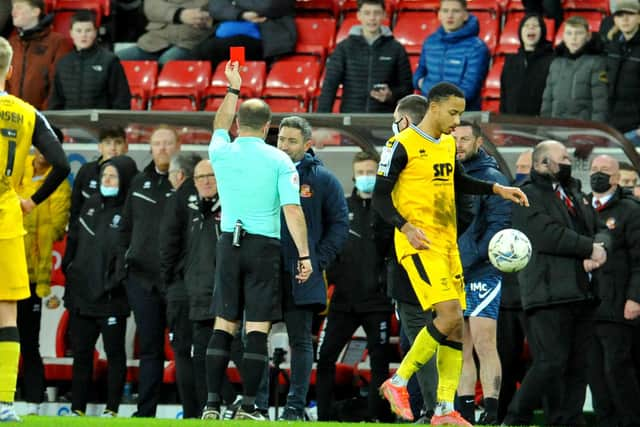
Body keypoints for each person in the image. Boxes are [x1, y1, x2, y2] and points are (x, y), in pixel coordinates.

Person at [372, 82, 528, 426]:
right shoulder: (399, 145)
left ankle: (444, 410)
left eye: (461, 114)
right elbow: (380, 197)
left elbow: (457, 181)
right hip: (418, 244)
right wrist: (405, 227)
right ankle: (398, 382)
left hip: (447, 245)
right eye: (454, 113)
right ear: (434, 108)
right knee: (447, 318)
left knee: (456, 327)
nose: (457, 122)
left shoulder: (444, 145)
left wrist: (496, 188)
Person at [200, 60, 312, 421]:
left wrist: (232, 88)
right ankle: (250, 407)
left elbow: (218, 125)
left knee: (223, 324)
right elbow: (293, 211)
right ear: (267, 128)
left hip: (228, 243)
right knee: (256, 329)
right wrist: (305, 255)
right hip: (264, 246)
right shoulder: (280, 159)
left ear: (238, 125)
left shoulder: (221, 151)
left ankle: (212, 405)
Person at [503, 140, 611, 426]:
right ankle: (515, 418)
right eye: (562, 158)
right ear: (542, 164)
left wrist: (599, 249)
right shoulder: (525, 195)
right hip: (547, 293)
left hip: (583, 293)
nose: (567, 162)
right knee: (550, 362)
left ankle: (568, 421)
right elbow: (546, 234)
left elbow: (600, 229)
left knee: (578, 366)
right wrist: (589, 248)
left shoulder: (575, 193)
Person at [0, 35, 70, 422]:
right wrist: (30, 201)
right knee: (7, 315)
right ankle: (5, 403)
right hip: (7, 217)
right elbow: (60, 163)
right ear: (10, 71)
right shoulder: (27, 112)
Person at [265, 116, 348, 421]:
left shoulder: (322, 179)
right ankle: (257, 406)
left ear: (308, 145)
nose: (283, 146)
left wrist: (316, 261)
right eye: (281, 139)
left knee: (300, 340)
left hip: (301, 273)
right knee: (256, 337)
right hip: (266, 271)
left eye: (291, 141)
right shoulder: (265, 172)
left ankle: (294, 408)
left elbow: (340, 225)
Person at [316, 150, 392, 422]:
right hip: (343, 302)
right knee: (325, 359)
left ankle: (378, 418)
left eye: (370, 172)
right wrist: (334, 276)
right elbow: (328, 246)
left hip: (377, 302)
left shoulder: (389, 209)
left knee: (380, 364)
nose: (365, 178)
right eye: (360, 173)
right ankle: (323, 417)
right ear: (353, 175)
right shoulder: (340, 208)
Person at [62, 155, 138, 417]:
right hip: (82, 296)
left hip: (112, 298)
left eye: (113, 176)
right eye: (104, 175)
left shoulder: (130, 210)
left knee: (115, 354)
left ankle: (111, 409)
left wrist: (115, 281)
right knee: (82, 354)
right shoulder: (90, 205)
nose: (106, 180)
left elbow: (129, 252)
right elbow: (74, 242)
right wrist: (71, 273)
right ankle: (77, 409)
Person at [453, 121, 511, 425]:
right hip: (452, 272)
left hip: (482, 272)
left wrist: (466, 261)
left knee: (484, 343)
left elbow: (498, 229)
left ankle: (490, 413)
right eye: (454, 138)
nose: (458, 144)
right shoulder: (446, 176)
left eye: (465, 139)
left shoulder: (493, 179)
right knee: (460, 347)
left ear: (478, 143)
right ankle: (463, 415)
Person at [120, 125, 180, 417]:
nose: (163, 148)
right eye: (158, 143)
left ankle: (199, 409)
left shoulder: (185, 184)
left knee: (185, 347)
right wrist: (126, 266)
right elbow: (125, 228)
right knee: (150, 349)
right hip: (141, 279)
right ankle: (145, 412)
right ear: (151, 147)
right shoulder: (138, 183)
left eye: (168, 143)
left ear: (177, 147)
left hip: (177, 280)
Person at [16, 137, 71, 416]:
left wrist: (24, 218)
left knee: (28, 340)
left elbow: (58, 226)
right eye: (40, 145)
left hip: (33, 276)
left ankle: (34, 401)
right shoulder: (16, 169)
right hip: (6, 269)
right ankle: (7, 396)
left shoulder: (59, 184)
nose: (42, 152)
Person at [587, 155, 640, 427]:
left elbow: (639, 259)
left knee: (617, 369)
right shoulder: (582, 206)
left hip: (618, 306)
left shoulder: (631, 211)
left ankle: (630, 421)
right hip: (587, 307)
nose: (598, 174)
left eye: (605, 170)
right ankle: (605, 421)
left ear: (617, 178)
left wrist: (635, 297)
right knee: (595, 374)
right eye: (594, 169)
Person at [160, 151, 202, 418]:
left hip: (181, 287)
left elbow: (167, 245)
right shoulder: (212, 197)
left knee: (184, 352)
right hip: (208, 286)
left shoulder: (176, 199)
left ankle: (191, 413)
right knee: (210, 350)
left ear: (179, 175)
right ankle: (217, 408)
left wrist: (167, 279)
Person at [317, 0, 412, 113]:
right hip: (350, 120)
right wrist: (321, 122)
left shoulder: (397, 49)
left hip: (384, 119)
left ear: (383, 15)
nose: (372, 18)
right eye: (367, 13)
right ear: (359, 16)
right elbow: (329, 87)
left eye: (376, 13)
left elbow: (407, 88)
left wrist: (391, 95)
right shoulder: (344, 48)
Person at [496, 150, 531, 423]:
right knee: (505, 362)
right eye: (518, 167)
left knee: (543, 360)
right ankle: (503, 414)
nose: (521, 172)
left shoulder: (545, 203)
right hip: (507, 297)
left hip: (534, 297)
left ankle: (529, 412)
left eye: (526, 167)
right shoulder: (503, 201)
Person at [413, 0, 489, 111]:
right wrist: (421, 83)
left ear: (465, 15)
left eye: (456, 11)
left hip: (462, 117)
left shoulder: (477, 48)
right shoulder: (430, 42)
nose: (450, 15)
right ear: (439, 15)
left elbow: (469, 90)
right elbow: (418, 75)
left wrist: (428, 90)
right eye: (445, 10)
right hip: (430, 113)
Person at [49, 10, 131, 109]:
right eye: (78, 31)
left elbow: (121, 100)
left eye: (88, 30)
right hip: (69, 123)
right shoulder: (63, 63)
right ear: (71, 33)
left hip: (101, 123)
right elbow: (56, 102)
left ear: (95, 33)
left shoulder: (110, 61)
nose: (83, 35)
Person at [540, 15, 608, 122]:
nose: (574, 38)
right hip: (555, 128)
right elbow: (547, 102)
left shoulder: (596, 63)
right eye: (569, 33)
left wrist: (595, 135)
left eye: (579, 33)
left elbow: (600, 104)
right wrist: (543, 130)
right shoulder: (555, 63)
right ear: (564, 37)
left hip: (583, 130)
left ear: (588, 36)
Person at [7, 0, 72, 110]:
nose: (13, 13)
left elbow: (57, 85)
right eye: (13, 8)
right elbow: (4, 81)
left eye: (19, 7)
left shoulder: (57, 42)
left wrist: (43, 116)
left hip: (42, 118)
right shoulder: (11, 43)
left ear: (35, 12)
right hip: (13, 117)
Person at [194, 0, 296, 67]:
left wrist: (234, 2)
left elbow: (267, 5)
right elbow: (215, 7)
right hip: (223, 36)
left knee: (216, 50)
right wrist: (241, 14)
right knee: (193, 56)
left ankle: (237, 91)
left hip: (263, 39)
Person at [116, 0, 210, 67]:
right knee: (113, 60)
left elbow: (203, 11)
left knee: (168, 62)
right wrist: (179, 14)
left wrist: (166, 11)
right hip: (155, 41)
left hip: (189, 42)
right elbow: (151, 7)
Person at [69, 127, 128, 227]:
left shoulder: (133, 176)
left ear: (126, 147)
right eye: (108, 143)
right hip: (86, 234)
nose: (113, 148)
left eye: (118, 143)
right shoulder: (86, 171)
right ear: (100, 147)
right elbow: (75, 209)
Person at [500, 13, 554, 115]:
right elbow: (504, 95)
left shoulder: (552, 60)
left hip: (539, 124)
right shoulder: (511, 60)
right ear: (520, 31)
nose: (531, 28)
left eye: (535, 26)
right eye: (527, 25)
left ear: (543, 31)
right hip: (510, 122)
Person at [604, 0, 640, 135]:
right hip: (612, 123)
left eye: (630, 14)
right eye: (619, 15)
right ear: (615, 20)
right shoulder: (611, 46)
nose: (624, 19)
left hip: (635, 128)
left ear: (639, 17)